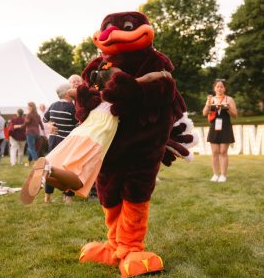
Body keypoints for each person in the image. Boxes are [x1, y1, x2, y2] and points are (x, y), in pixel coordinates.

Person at [20, 64, 170, 204]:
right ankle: (48, 168)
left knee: (67, 185)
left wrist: (84, 91)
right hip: (96, 137)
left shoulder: (97, 95)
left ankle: (45, 174)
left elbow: (71, 92)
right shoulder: (120, 93)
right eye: (120, 75)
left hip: (79, 133)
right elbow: (146, 79)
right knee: (79, 182)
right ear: (115, 80)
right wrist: (163, 73)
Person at [42, 82, 78, 203]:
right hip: (66, 142)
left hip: (53, 141)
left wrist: (50, 124)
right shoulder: (72, 108)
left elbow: (44, 119)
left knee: (50, 167)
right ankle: (68, 195)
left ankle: (47, 196)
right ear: (68, 93)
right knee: (67, 169)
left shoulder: (52, 105)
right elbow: (77, 124)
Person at [203, 78, 237, 182]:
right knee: (214, 152)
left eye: (221, 86)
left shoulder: (229, 99)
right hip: (214, 126)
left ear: (224, 88)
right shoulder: (211, 99)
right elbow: (204, 113)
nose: (219, 88)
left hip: (225, 126)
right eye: (217, 86)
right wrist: (208, 103)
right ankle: (215, 175)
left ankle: (223, 175)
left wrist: (228, 108)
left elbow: (235, 115)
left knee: (223, 151)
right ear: (214, 88)